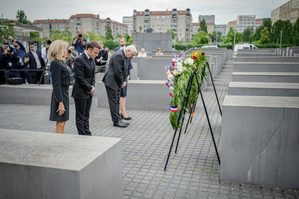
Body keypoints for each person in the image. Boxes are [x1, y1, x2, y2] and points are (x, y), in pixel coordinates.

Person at [102, 45, 138, 128]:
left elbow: (124, 70)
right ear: (128, 51)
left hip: (117, 81)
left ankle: (118, 119)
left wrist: (124, 81)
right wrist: (122, 82)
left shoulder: (125, 56)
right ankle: (116, 121)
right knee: (113, 102)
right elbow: (117, 71)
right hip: (111, 81)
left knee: (117, 101)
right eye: (132, 55)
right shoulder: (118, 55)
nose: (132, 57)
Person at [72, 41, 101, 136]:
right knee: (80, 115)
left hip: (89, 92)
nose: (97, 55)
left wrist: (92, 87)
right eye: (95, 52)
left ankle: (87, 132)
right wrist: (89, 88)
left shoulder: (92, 59)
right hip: (80, 92)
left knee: (86, 115)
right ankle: (82, 134)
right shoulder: (79, 60)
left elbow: (93, 76)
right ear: (89, 49)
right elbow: (80, 78)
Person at [48, 40, 74, 134]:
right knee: (61, 122)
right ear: (59, 50)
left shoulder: (62, 62)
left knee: (63, 122)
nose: (67, 50)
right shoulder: (55, 63)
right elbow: (56, 85)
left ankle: (60, 142)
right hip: (60, 95)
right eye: (65, 49)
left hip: (64, 94)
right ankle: (57, 144)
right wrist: (60, 103)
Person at [115, 38, 133, 120]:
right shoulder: (117, 50)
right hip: (119, 75)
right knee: (120, 95)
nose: (121, 42)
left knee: (124, 94)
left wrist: (128, 74)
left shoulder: (128, 50)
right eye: (120, 41)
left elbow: (129, 63)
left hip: (125, 75)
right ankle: (121, 113)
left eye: (122, 41)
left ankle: (124, 112)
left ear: (125, 42)